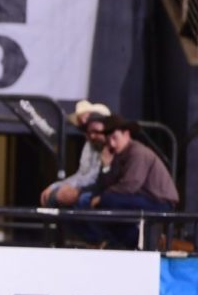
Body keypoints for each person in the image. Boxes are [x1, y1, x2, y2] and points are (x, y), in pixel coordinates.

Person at [88, 114, 179, 248]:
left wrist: (102, 197)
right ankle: (130, 242)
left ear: (126, 134)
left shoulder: (138, 153)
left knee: (108, 200)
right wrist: (106, 166)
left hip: (160, 201)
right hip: (142, 198)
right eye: (109, 140)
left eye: (115, 138)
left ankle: (135, 242)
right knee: (104, 202)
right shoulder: (118, 155)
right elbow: (111, 184)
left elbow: (130, 185)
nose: (112, 144)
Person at [39, 100, 111, 208]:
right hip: (92, 185)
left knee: (77, 198)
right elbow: (82, 173)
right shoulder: (89, 145)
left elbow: (97, 177)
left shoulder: (111, 144)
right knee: (55, 196)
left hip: (104, 187)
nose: (89, 133)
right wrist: (57, 186)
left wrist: (75, 188)